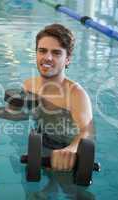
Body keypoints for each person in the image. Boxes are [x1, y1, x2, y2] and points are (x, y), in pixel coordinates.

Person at [23, 23, 94, 171]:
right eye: (42, 51)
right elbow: (26, 113)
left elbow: (87, 131)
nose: (47, 57)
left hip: (67, 146)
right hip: (40, 141)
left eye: (56, 53)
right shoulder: (29, 85)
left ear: (67, 59)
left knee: (72, 191)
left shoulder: (76, 94)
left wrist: (71, 149)